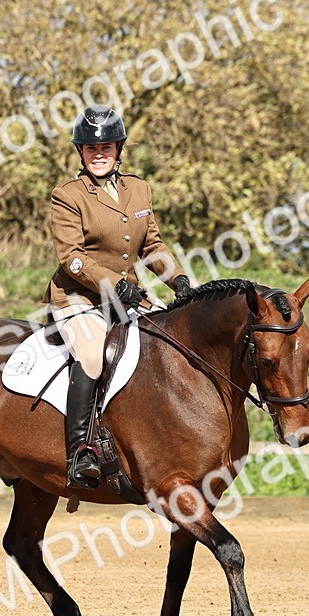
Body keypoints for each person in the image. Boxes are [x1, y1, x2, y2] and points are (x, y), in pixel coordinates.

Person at [43, 106, 193, 489]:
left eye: (106, 146)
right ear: (80, 152)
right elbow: (71, 258)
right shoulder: (68, 195)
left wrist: (177, 279)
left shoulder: (139, 189)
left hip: (128, 297)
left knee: (167, 348)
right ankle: (80, 452)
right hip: (79, 297)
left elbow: (152, 244)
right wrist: (116, 284)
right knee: (92, 354)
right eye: (91, 148)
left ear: (118, 148)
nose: (99, 154)